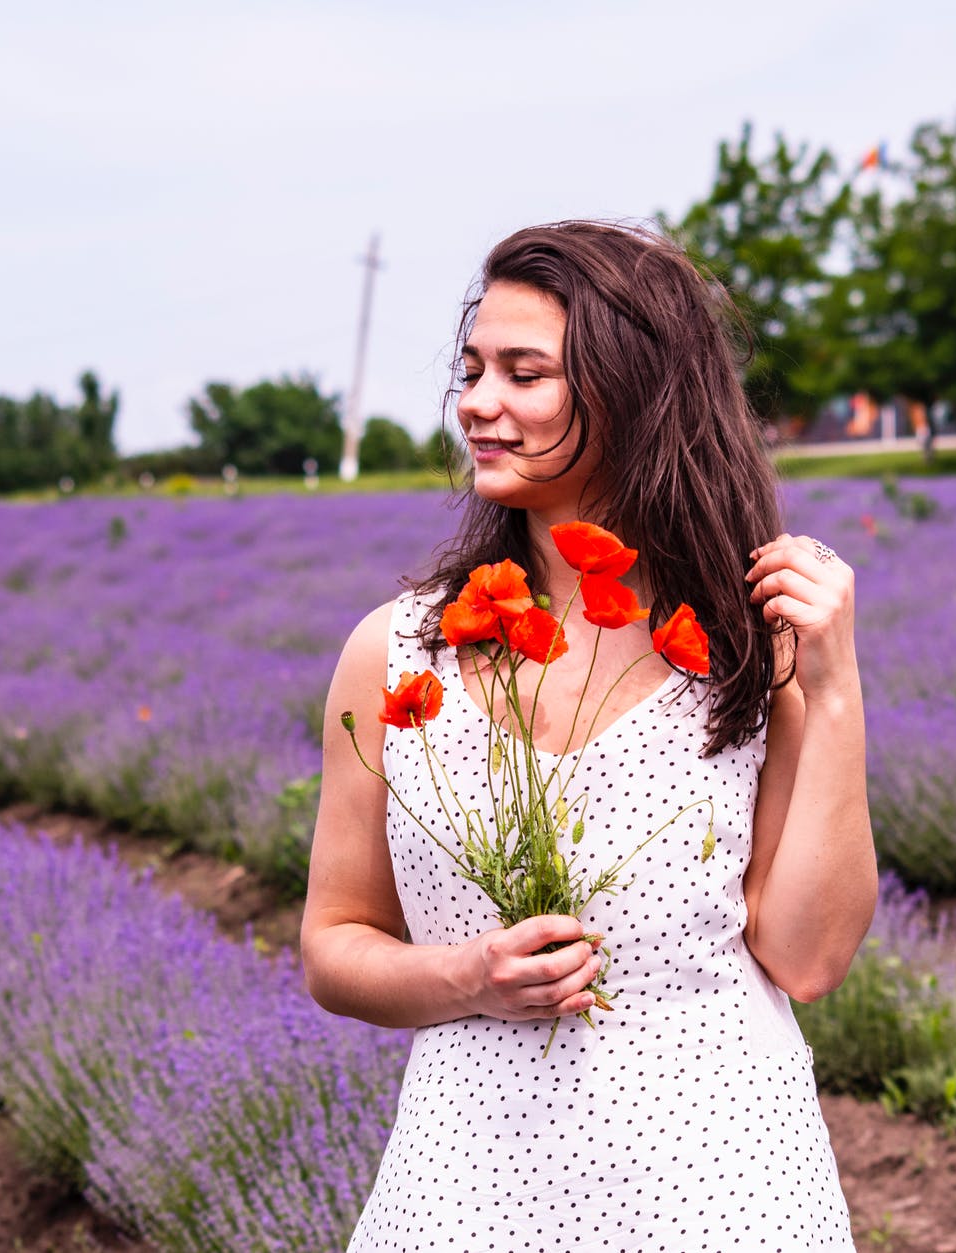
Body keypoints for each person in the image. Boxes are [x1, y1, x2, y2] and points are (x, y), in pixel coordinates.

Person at [302, 220, 877, 1249]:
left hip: (719, 1191)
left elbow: (806, 955)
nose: (477, 402)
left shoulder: (749, 652)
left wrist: (833, 696)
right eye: (471, 369)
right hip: (466, 1191)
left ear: (633, 394)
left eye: (524, 373)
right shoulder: (395, 652)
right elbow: (332, 943)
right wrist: (468, 977)